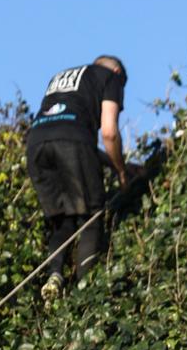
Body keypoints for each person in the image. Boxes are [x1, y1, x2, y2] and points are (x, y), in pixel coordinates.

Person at [25, 55, 130, 298]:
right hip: (73, 142)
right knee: (92, 216)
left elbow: (65, 134)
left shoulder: (61, 78)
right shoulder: (110, 77)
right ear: (116, 72)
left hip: (36, 144)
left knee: (63, 219)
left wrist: (118, 164)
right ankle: (85, 294)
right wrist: (122, 173)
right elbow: (110, 133)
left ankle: (55, 274)